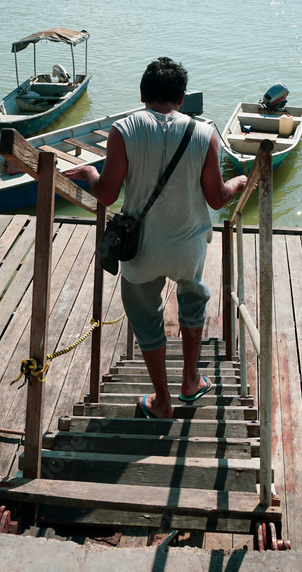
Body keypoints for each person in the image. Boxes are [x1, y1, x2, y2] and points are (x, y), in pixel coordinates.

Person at [65, 57, 247, 419]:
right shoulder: (204, 133)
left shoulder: (123, 130)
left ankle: (162, 401)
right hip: (188, 246)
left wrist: (89, 172)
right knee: (193, 302)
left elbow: (107, 195)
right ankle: (191, 381)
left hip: (141, 249)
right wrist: (238, 184)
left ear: (142, 93)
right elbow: (215, 197)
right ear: (182, 97)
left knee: (147, 318)